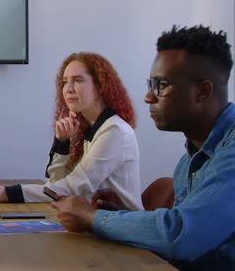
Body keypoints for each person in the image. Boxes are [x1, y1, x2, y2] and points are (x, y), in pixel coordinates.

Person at [51, 25, 235, 270]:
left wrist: (93, 217)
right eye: (150, 84)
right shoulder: (188, 162)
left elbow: (182, 234)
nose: (148, 96)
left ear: (202, 92)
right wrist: (120, 214)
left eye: (161, 85)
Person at [0, 52, 143, 211]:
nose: (68, 89)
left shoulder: (114, 131)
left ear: (100, 86)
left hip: (125, 232)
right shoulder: (92, 127)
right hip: (102, 225)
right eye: (64, 81)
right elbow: (58, 184)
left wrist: (6, 193)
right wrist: (62, 143)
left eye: (78, 80)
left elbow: (73, 187)